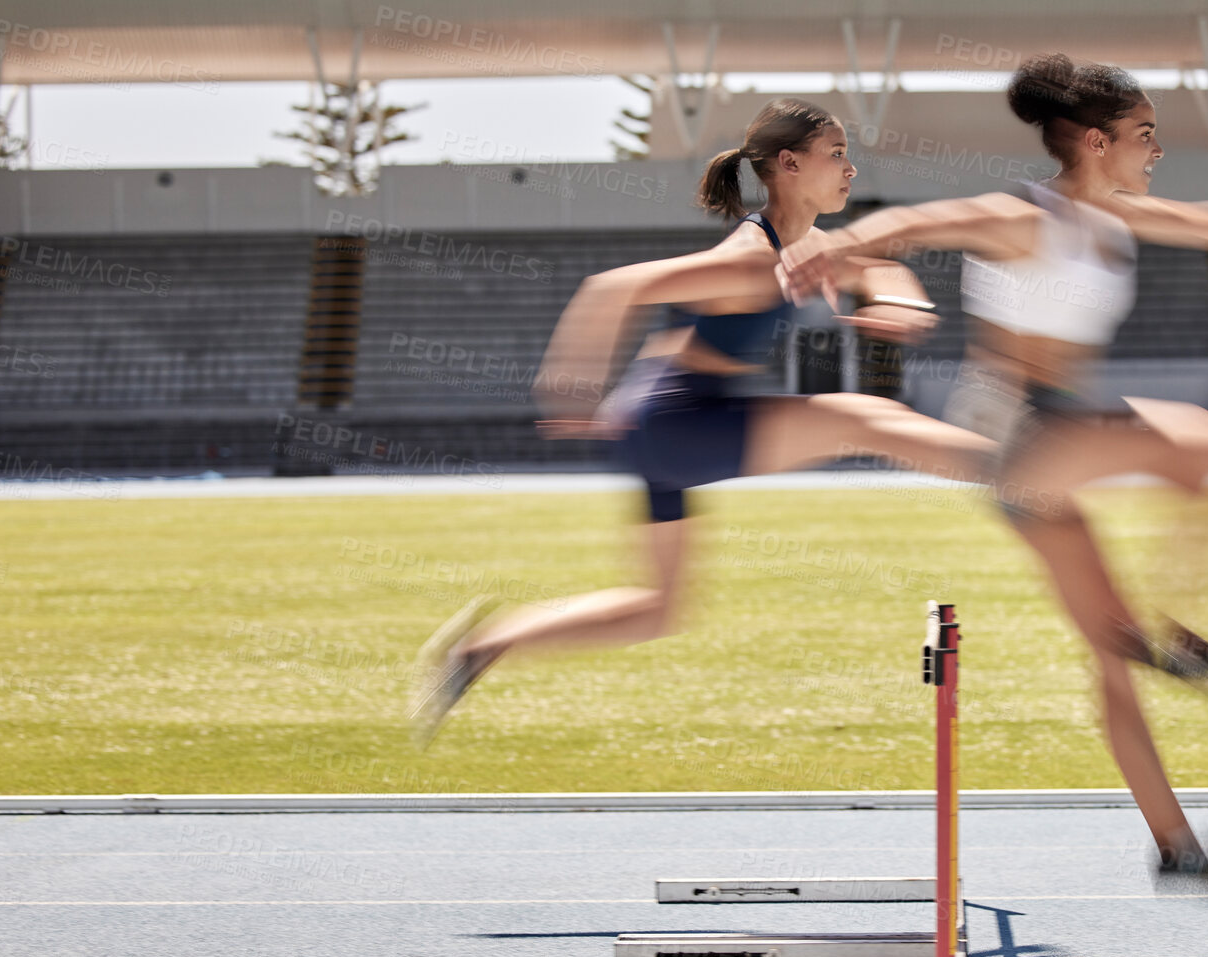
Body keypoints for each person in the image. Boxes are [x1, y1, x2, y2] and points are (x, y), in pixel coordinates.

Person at [781, 54, 1208, 878]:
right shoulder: (1024, 216)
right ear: (1095, 142)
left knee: (1110, 653)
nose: (1155, 151)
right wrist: (832, 247)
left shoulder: (1117, 220)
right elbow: (915, 223)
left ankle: (1176, 843)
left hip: (1044, 467)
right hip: (1019, 433)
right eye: (1144, 136)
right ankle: (1177, 630)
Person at [409, 98, 996, 745]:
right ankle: (1018, 469)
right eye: (836, 155)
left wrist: (894, 299)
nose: (850, 168)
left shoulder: (808, 244)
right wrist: (568, 389)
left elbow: (880, 267)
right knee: (857, 418)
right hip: (674, 416)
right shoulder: (749, 260)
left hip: (665, 420)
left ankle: (482, 645)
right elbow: (611, 288)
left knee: (656, 608)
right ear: (789, 164)